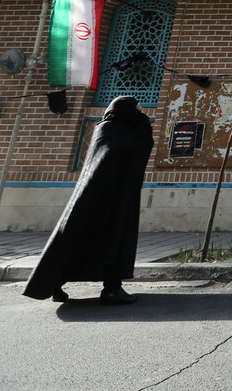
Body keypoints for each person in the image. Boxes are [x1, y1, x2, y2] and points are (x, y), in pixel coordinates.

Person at [24, 95, 154, 305]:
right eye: (136, 108)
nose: (140, 111)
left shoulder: (103, 129)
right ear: (126, 110)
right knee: (113, 240)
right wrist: (143, 121)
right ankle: (111, 290)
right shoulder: (126, 131)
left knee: (75, 239)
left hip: (87, 198)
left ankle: (54, 284)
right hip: (114, 201)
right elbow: (142, 141)